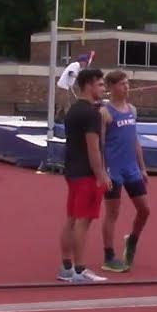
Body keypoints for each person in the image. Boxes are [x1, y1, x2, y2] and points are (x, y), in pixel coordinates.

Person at [56, 68, 111, 283]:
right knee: (83, 221)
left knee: (72, 218)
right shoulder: (91, 114)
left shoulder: (73, 111)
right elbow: (93, 147)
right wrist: (101, 175)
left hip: (72, 171)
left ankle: (66, 267)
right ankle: (79, 270)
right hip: (87, 174)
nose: (103, 89)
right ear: (89, 85)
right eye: (100, 85)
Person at [99, 70, 151, 273]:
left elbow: (134, 140)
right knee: (112, 212)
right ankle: (108, 255)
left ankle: (132, 240)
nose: (126, 87)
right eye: (122, 84)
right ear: (111, 87)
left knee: (145, 210)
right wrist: (102, 171)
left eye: (127, 83)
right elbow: (101, 144)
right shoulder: (105, 112)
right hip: (113, 169)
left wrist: (143, 167)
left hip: (131, 168)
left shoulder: (132, 110)